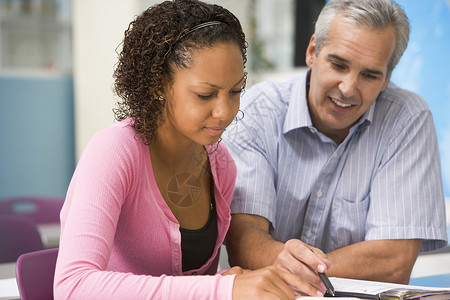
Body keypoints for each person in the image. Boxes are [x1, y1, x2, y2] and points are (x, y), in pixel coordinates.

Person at [53, 0, 326, 299]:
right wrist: (222, 288)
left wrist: (235, 280)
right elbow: (73, 285)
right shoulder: (115, 151)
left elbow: (188, 286)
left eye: (235, 91)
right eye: (205, 94)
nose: (225, 111)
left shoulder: (221, 165)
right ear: (159, 84)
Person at [222, 0, 447, 286]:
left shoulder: (407, 119)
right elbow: (245, 238)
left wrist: (290, 268)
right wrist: (310, 269)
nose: (348, 88)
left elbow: (393, 261)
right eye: (338, 65)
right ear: (313, 51)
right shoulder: (258, 110)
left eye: (369, 75)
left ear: (387, 78)